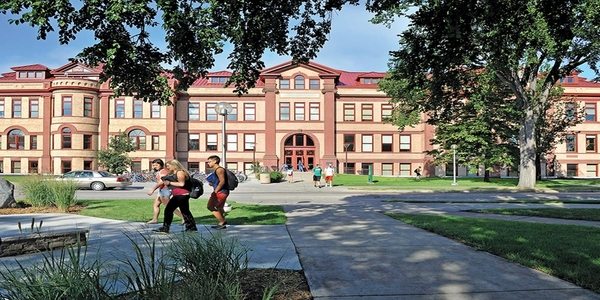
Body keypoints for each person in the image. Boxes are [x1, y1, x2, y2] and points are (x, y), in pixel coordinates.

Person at [153, 160, 197, 233]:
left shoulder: (180, 172)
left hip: (181, 195)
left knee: (168, 210)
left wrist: (169, 182)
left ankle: (165, 228)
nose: (167, 168)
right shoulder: (176, 173)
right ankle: (191, 227)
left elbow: (181, 184)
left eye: (168, 166)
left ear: (174, 165)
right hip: (180, 195)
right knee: (185, 211)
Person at [146, 159, 183, 224]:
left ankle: (184, 217)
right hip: (162, 190)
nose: (155, 166)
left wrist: (153, 189)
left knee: (169, 206)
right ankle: (155, 219)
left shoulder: (163, 171)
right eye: (153, 165)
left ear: (161, 165)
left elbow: (162, 181)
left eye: (157, 165)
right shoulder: (160, 171)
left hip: (165, 190)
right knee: (156, 205)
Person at [206, 155, 229, 229]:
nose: (208, 163)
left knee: (210, 206)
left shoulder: (219, 170)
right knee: (219, 207)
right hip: (222, 191)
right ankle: (222, 222)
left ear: (215, 161)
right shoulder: (217, 170)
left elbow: (222, 181)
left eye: (209, 162)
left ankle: (222, 222)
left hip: (220, 192)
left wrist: (215, 191)